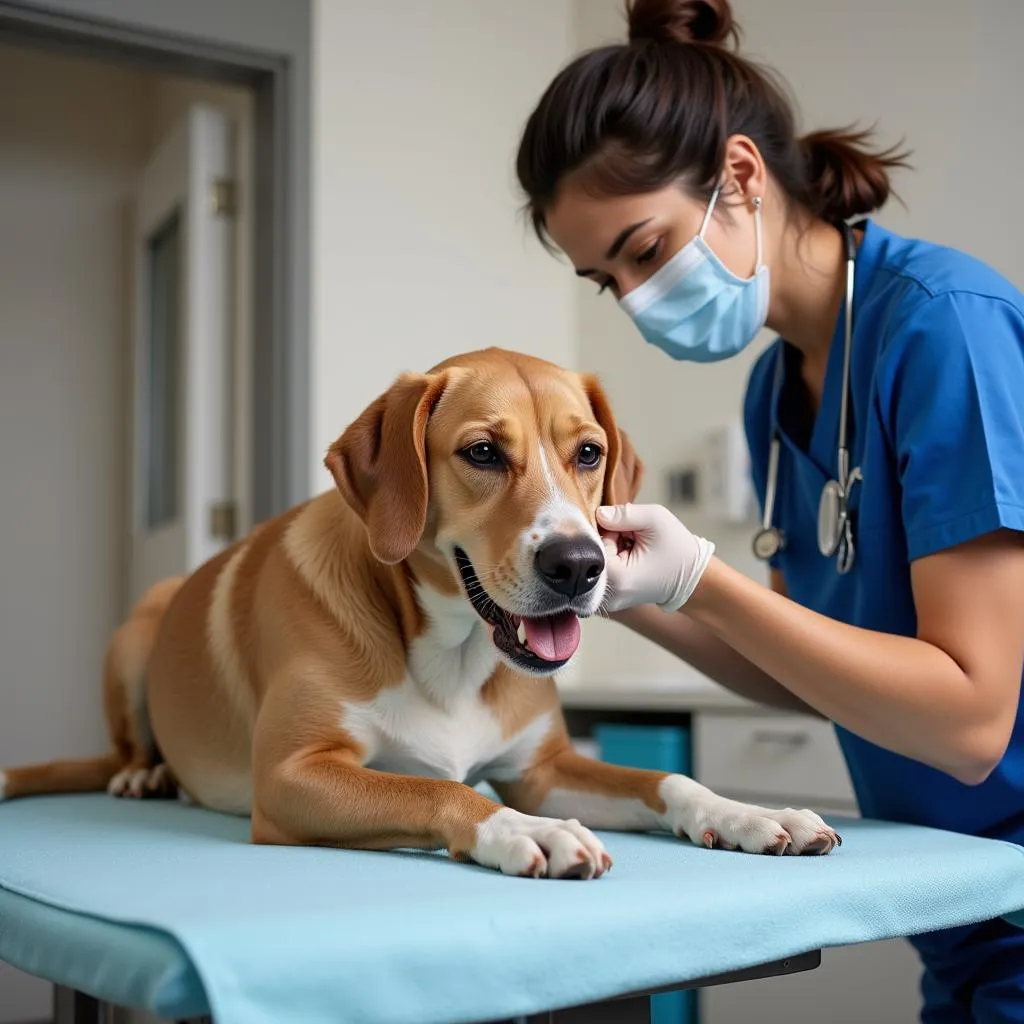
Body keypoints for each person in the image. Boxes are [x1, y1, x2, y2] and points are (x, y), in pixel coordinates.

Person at [515, 0, 1024, 1020]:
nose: (633, 295)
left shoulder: (942, 332)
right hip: (956, 913)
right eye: (604, 279)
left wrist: (700, 576)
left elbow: (971, 721)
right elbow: (811, 678)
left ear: (740, 177)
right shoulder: (777, 388)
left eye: (642, 248)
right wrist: (626, 593)